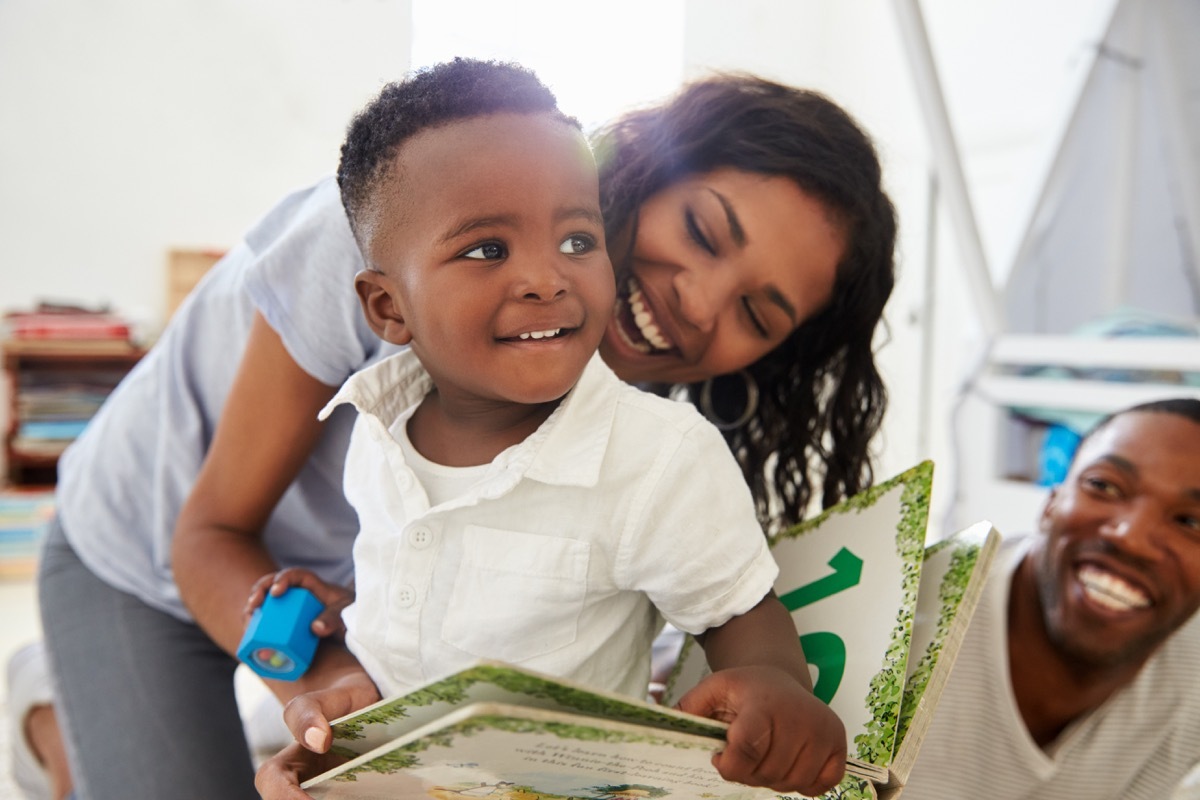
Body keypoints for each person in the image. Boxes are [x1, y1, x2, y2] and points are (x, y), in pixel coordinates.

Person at [16, 64, 897, 800]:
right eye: (702, 231)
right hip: (153, 557)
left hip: (344, 596)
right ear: (635, 164)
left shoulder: (657, 440)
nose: (697, 302)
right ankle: (59, 727)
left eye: (756, 312)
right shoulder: (382, 234)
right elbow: (208, 538)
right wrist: (321, 696)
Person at [249, 58, 846, 798]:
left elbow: (742, 616)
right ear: (387, 309)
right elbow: (414, 627)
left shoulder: (661, 458)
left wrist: (774, 687)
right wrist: (336, 671)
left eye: (575, 241)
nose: (546, 277)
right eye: (487, 250)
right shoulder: (373, 431)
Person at [902, 398, 1200, 799]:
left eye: (1191, 522)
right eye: (1104, 485)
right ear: (1051, 501)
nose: (1130, 537)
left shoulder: (1189, 687)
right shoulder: (897, 627)